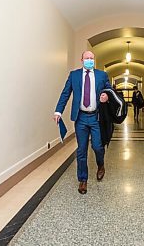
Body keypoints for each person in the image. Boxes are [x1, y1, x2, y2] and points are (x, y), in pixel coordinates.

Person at [54, 51, 112, 194]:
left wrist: (107, 96)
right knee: (81, 150)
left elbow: (109, 90)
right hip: (80, 117)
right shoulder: (74, 75)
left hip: (96, 117)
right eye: (87, 58)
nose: (89, 60)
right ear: (81, 60)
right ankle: (83, 180)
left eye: (92, 58)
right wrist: (58, 111)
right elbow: (65, 93)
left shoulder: (101, 75)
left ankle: (101, 164)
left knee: (98, 147)